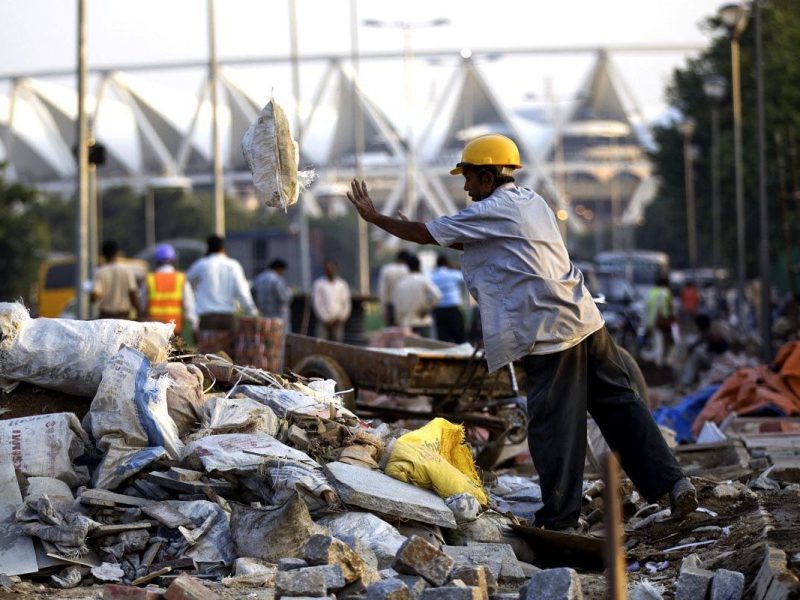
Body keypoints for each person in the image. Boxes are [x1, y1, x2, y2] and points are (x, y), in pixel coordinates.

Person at [347, 133, 697, 531]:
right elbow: (483, 242)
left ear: (490, 175)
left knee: (553, 427)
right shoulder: (532, 202)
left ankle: (560, 518)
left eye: (470, 177)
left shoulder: (492, 210)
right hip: (585, 320)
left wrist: (375, 218)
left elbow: (428, 233)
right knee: (623, 409)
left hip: (548, 331)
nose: (466, 186)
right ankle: (674, 484)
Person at [186, 235, 257, 337]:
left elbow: (186, 281)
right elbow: (242, 291)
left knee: (207, 351)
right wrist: (252, 311)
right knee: (228, 352)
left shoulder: (201, 265)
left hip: (207, 318)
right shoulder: (233, 265)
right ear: (223, 248)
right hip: (228, 318)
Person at [141, 243, 197, 338]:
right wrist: (194, 327)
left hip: (154, 329)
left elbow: (142, 305)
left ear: (157, 261)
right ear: (174, 260)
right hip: (175, 329)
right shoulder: (181, 279)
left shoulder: (149, 279)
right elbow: (189, 307)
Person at [392, 254, 442, 338]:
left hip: (406, 324)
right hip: (423, 321)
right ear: (419, 265)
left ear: (407, 267)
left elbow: (397, 306)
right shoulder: (423, 280)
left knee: (408, 350)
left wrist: (398, 321)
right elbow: (437, 295)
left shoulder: (401, 283)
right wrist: (426, 308)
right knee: (427, 349)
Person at [91, 240, 140, 320]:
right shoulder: (126, 271)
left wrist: (91, 297)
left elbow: (96, 295)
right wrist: (138, 313)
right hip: (124, 317)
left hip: (106, 318)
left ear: (103, 255)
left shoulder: (100, 272)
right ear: (117, 253)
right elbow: (133, 294)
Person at [312, 259, 351, 342]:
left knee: (338, 344)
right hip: (324, 321)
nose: (330, 270)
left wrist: (342, 317)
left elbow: (346, 303)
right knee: (321, 344)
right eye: (328, 268)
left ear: (336, 269)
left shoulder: (342, 284)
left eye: (332, 268)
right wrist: (326, 318)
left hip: (338, 321)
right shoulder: (319, 284)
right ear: (325, 270)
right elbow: (318, 303)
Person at [430, 255, 467, 343]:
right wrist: (454, 267)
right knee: (459, 337)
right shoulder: (452, 274)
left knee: (443, 340)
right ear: (446, 263)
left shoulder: (432, 276)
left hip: (438, 310)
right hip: (453, 309)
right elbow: (465, 277)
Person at [253, 258, 293, 331]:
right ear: (279, 268)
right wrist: (290, 291)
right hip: (279, 317)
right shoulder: (276, 280)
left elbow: (253, 294)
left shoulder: (258, 279)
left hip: (264, 316)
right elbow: (284, 297)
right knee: (280, 339)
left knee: (267, 338)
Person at [645, 275, 674, 368]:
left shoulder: (651, 292)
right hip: (663, 321)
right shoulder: (666, 292)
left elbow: (646, 307)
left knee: (656, 342)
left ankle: (656, 362)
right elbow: (669, 308)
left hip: (651, 321)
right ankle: (661, 364)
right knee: (665, 343)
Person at [377, 250, 411, 326]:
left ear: (396, 258)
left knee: (392, 333)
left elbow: (383, 292)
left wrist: (382, 310)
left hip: (391, 306)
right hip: (407, 306)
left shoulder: (387, 269)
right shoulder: (409, 270)